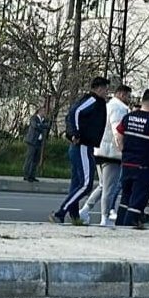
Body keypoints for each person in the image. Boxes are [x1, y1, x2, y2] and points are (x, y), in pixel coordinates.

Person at [50, 77, 109, 226]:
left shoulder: (97, 102)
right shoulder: (92, 100)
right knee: (86, 184)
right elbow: (74, 112)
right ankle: (60, 212)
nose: (107, 92)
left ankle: (74, 215)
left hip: (84, 146)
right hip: (82, 145)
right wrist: (75, 133)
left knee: (76, 183)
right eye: (106, 89)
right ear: (99, 88)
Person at [114, 89, 149, 228]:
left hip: (127, 164)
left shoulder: (128, 117)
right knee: (138, 200)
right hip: (143, 167)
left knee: (126, 197)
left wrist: (124, 150)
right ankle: (129, 227)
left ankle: (119, 225)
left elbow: (119, 136)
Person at [81, 84, 132, 226]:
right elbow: (118, 130)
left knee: (103, 186)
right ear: (121, 94)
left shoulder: (108, 105)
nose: (129, 99)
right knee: (110, 188)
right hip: (112, 153)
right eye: (128, 96)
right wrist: (123, 149)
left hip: (100, 150)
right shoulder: (119, 108)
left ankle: (85, 210)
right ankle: (104, 218)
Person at [21, 106, 51, 183]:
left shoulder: (44, 120)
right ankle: (26, 174)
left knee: (36, 160)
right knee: (29, 158)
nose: (45, 113)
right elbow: (35, 126)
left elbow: (47, 126)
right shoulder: (34, 118)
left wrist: (41, 126)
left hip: (39, 141)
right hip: (32, 141)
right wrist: (42, 126)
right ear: (40, 111)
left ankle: (32, 175)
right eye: (43, 111)